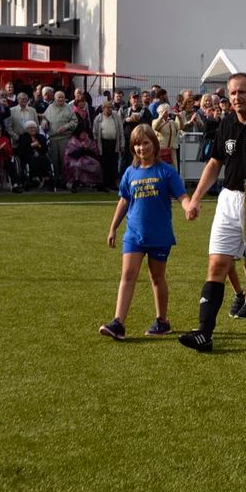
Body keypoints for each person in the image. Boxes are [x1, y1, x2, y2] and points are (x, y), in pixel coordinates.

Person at [179, 72, 246, 351]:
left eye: (242, 92)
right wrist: (195, 198)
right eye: (232, 93)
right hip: (229, 200)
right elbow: (215, 163)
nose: (237, 98)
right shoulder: (226, 123)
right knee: (217, 265)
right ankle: (205, 333)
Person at [99, 125, 193, 340]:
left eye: (146, 143)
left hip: (159, 235)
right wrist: (113, 228)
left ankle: (162, 321)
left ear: (155, 144)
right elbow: (124, 200)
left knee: (156, 277)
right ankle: (118, 323)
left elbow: (182, 196)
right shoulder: (130, 172)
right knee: (128, 275)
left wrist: (189, 207)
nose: (142, 148)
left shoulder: (166, 171)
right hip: (133, 235)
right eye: (137, 144)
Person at [42, 91, 77, 188]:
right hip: (53, 138)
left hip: (65, 138)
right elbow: (44, 117)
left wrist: (65, 127)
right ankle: (55, 180)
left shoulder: (68, 108)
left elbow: (74, 121)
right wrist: (44, 121)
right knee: (54, 161)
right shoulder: (50, 107)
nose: (60, 99)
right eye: (59, 97)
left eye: (62, 97)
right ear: (55, 98)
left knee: (64, 161)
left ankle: (64, 181)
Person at [93, 101, 124, 190]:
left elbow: (121, 131)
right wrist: (96, 145)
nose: (110, 109)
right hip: (103, 143)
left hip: (114, 143)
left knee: (113, 164)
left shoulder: (116, 117)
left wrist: (122, 145)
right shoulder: (98, 118)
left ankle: (112, 183)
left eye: (111, 108)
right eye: (108, 108)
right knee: (104, 164)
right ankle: (104, 183)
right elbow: (95, 132)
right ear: (103, 109)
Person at [0, 123, 23, 193]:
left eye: (0, 131)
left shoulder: (5, 139)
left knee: (11, 165)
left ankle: (15, 185)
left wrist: (4, 149)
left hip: (4, 159)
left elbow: (10, 152)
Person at [16, 121, 50, 188]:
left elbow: (45, 148)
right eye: (30, 128)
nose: (33, 129)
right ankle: (34, 178)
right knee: (34, 159)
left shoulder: (40, 136)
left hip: (40, 155)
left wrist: (39, 145)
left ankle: (47, 178)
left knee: (44, 158)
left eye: (34, 127)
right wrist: (31, 146)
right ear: (26, 129)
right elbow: (22, 150)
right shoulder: (23, 137)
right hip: (28, 156)